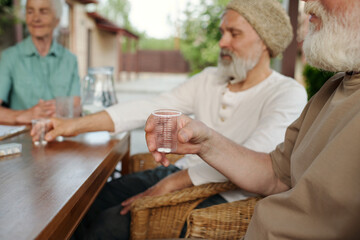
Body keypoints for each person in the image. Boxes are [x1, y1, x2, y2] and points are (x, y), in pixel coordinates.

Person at [38, 0, 307, 239]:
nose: (222, 42)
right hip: (178, 174)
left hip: (223, 196)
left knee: (108, 226)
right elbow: (151, 107)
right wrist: (71, 125)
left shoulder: (287, 93)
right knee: (89, 202)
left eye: (234, 33)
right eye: (223, 32)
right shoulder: (210, 78)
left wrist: (170, 184)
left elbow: (259, 161)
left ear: (264, 41)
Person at [145, 0, 360, 238]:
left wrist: (175, 181)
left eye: (234, 33)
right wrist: (205, 143)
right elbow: (276, 175)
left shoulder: (287, 91)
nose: (307, 3)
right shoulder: (333, 88)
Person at [0, 0, 81, 125]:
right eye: (30, 12)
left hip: (61, 137)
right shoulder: (9, 57)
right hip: (22, 139)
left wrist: (62, 110)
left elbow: (77, 107)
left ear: (57, 20)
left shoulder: (70, 60)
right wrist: (22, 115)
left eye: (43, 12)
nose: (36, 18)